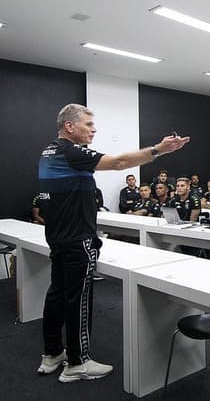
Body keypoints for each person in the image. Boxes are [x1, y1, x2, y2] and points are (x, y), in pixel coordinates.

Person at [37, 103, 189, 382]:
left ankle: (52, 354)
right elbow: (119, 162)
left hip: (57, 237)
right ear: (69, 127)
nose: (93, 130)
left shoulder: (48, 151)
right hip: (77, 238)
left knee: (56, 293)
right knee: (78, 300)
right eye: (88, 125)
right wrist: (158, 150)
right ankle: (77, 363)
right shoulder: (72, 151)